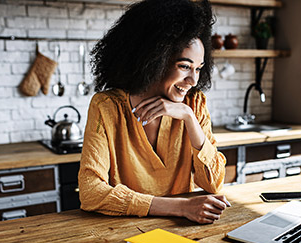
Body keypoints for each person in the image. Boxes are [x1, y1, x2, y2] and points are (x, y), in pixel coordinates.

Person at [78, 0, 228, 224]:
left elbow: (213, 184)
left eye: (199, 69)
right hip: (124, 229)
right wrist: (180, 207)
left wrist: (188, 117)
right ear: (154, 59)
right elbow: (90, 193)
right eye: (184, 66)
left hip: (183, 230)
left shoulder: (195, 104)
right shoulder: (106, 107)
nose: (193, 80)